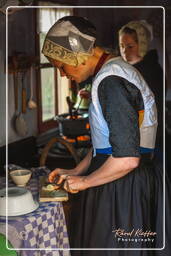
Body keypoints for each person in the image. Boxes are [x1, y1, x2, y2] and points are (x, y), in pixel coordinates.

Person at [42, 16, 164, 255]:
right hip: (116, 179)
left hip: (123, 186)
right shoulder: (111, 73)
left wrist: (86, 181)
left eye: (61, 66)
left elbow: (127, 159)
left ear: (75, 54)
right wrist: (76, 171)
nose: (62, 74)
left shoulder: (112, 81)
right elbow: (109, 143)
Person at [118, 20, 163, 160]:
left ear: (142, 45)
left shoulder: (151, 71)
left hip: (148, 135)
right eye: (122, 46)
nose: (125, 51)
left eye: (130, 46)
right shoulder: (124, 68)